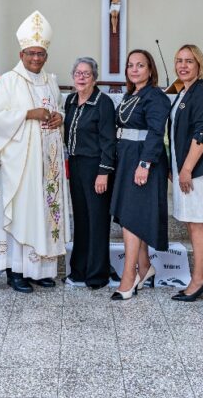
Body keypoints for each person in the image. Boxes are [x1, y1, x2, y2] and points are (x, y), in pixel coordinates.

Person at [0, 10, 72, 293]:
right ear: (22, 53)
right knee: (23, 212)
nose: (36, 58)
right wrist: (27, 113)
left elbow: (55, 109)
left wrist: (59, 116)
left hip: (47, 165)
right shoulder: (8, 81)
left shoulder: (50, 80)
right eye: (31, 53)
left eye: (41, 54)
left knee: (46, 212)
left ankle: (40, 270)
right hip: (20, 164)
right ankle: (16, 271)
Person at [109, 50, 169, 299]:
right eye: (130, 65)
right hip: (126, 158)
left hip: (143, 159)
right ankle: (145, 268)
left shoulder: (155, 96)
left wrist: (144, 163)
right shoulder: (129, 95)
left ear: (150, 69)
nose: (134, 70)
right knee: (129, 215)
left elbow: (156, 132)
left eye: (140, 65)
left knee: (133, 216)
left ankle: (129, 275)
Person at [167, 44, 203, 302]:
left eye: (189, 61)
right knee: (191, 222)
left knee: (198, 224)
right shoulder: (184, 92)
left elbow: (202, 133)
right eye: (179, 61)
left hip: (196, 171)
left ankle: (197, 281)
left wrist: (186, 169)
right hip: (185, 170)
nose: (183, 66)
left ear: (199, 65)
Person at [64, 57, 116, 290]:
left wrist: (104, 172)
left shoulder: (103, 102)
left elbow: (108, 141)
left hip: (96, 167)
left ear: (94, 78)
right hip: (76, 166)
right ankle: (79, 270)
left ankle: (97, 274)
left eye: (87, 74)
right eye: (78, 73)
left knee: (97, 220)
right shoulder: (70, 100)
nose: (82, 77)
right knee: (82, 220)